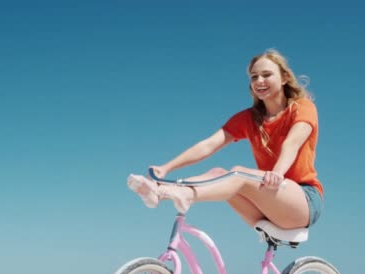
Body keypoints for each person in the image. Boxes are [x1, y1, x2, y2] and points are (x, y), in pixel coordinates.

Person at [127, 49, 323, 229]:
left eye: (267, 75)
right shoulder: (248, 118)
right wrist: (166, 168)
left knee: (238, 173)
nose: (259, 81)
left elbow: (292, 143)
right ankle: (159, 191)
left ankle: (181, 193)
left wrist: (278, 172)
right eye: (254, 77)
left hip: (303, 201)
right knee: (218, 172)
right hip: (269, 200)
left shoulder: (302, 108)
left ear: (284, 78)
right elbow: (208, 145)